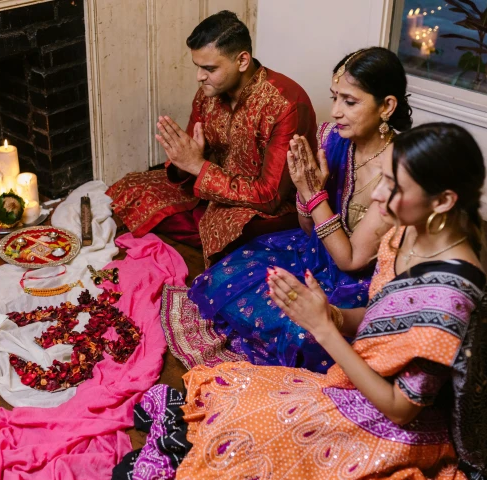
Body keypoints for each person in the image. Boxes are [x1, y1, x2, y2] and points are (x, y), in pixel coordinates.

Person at [174, 123, 487, 480]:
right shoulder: (404, 233)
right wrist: (332, 314)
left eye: (394, 186)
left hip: (404, 430)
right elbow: (384, 315)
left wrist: (325, 330)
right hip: (359, 384)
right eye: (383, 178)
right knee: (244, 419)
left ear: (443, 201)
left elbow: (402, 409)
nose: (379, 195)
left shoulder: (452, 297)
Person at [166, 47, 411, 372]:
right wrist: (304, 196)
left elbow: (350, 261)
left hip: (362, 282)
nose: (336, 111)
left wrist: (315, 195)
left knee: (301, 333)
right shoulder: (333, 139)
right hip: (316, 252)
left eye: (349, 102)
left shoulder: (399, 173)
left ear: (387, 106)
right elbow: (309, 229)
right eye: (334, 97)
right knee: (223, 278)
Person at [107, 10, 316, 265]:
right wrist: (184, 160)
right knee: (132, 187)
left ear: (242, 61)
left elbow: (271, 197)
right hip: (213, 190)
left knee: (229, 227)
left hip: (266, 210)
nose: (199, 77)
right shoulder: (209, 92)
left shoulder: (285, 104)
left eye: (209, 68)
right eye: (197, 67)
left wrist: (197, 165)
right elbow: (189, 160)